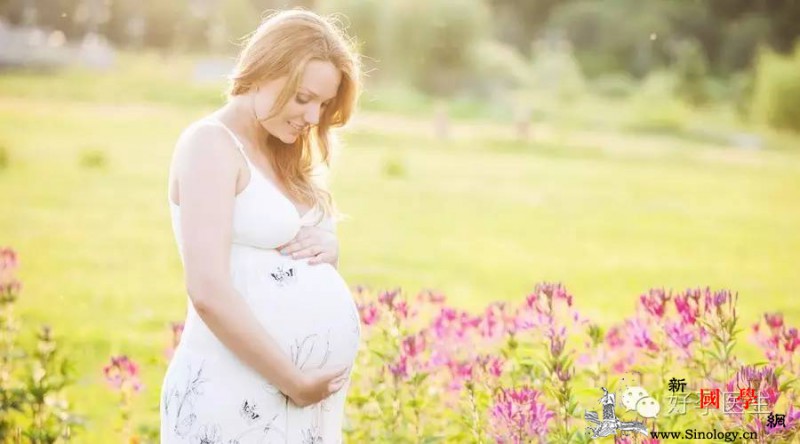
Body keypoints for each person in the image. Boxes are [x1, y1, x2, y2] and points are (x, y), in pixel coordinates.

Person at [160, 9, 362, 443]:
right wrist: (293, 380)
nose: (313, 117)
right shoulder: (210, 145)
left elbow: (280, 259)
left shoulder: (283, 153)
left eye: (323, 105)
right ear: (263, 72)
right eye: (303, 98)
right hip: (238, 392)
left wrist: (328, 252)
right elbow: (208, 291)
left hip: (296, 404)